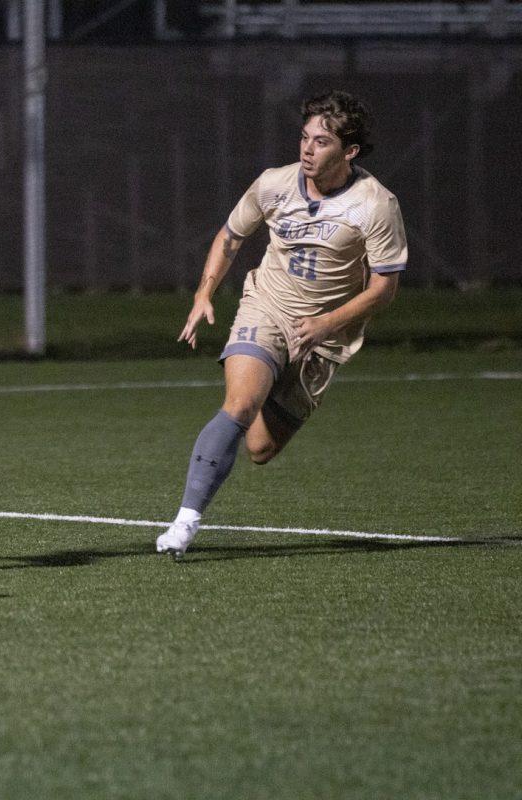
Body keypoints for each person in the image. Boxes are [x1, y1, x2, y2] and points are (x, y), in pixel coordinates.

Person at [157, 90, 407, 558]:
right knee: (239, 404)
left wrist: (325, 324)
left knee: (260, 448)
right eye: (304, 138)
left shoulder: (375, 205)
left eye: (322, 142)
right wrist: (203, 294)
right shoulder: (274, 184)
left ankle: (271, 378)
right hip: (266, 307)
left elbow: (383, 290)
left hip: (325, 336)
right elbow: (231, 237)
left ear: (349, 152)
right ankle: (184, 523)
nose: (308, 149)